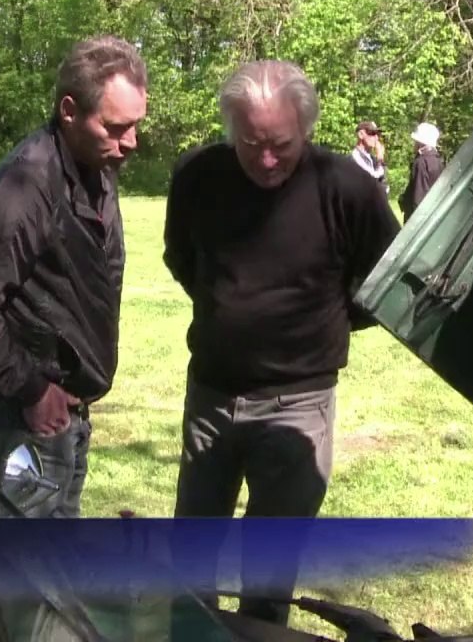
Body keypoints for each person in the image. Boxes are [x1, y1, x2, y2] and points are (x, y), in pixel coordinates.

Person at [163, 60, 400, 624]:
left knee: (270, 573)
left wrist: (327, 324)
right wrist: (230, 312)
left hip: (300, 405)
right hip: (213, 398)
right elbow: (182, 258)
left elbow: (389, 280)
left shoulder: (346, 187)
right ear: (230, 131)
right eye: (251, 144)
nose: (266, 160)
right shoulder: (198, 175)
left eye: (281, 145)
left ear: (307, 127)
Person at [0, 35, 148, 518]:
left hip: (65, 416)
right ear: (69, 111)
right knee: (22, 582)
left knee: (56, 572)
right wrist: (30, 390)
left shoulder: (96, 166)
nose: (131, 142)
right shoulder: (28, 185)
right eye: (116, 127)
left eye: (136, 126)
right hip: (26, 418)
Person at [399, 121, 445, 220]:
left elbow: (418, 196)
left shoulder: (421, 162)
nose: (414, 144)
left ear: (421, 143)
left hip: (419, 219)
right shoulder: (438, 161)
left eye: (416, 141)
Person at [350, 120, 388, 196]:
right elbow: (371, 183)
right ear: (361, 134)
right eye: (372, 133)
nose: (376, 138)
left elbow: (384, 187)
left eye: (377, 134)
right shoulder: (354, 158)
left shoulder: (372, 159)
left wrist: (380, 160)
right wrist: (380, 160)